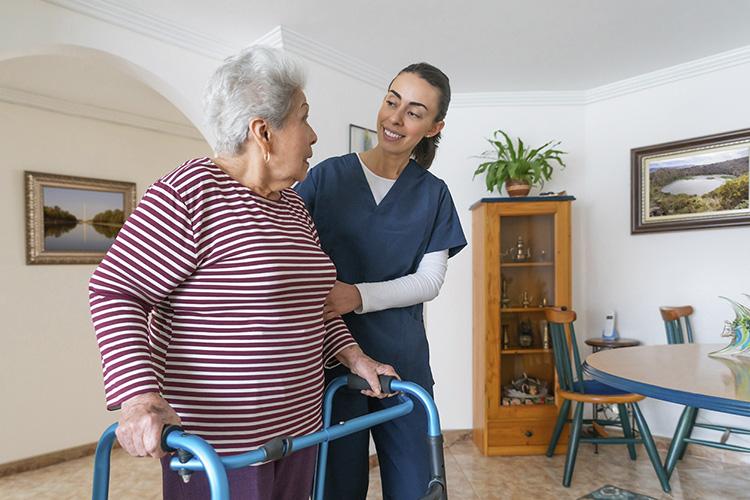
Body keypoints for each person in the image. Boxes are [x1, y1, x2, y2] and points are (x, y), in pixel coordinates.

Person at [88, 46, 397, 500]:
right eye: (303, 118)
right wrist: (139, 398)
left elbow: (314, 307)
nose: (313, 136)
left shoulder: (294, 208)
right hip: (222, 446)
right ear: (263, 131)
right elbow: (115, 290)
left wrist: (355, 358)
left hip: (301, 430)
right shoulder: (187, 192)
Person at [295, 62, 467, 500]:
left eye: (414, 111)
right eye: (392, 100)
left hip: (403, 361)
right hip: (329, 363)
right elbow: (291, 253)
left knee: (418, 485)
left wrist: (356, 296)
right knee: (334, 487)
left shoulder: (433, 193)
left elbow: (430, 280)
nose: (395, 117)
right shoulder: (325, 178)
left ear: (434, 127)